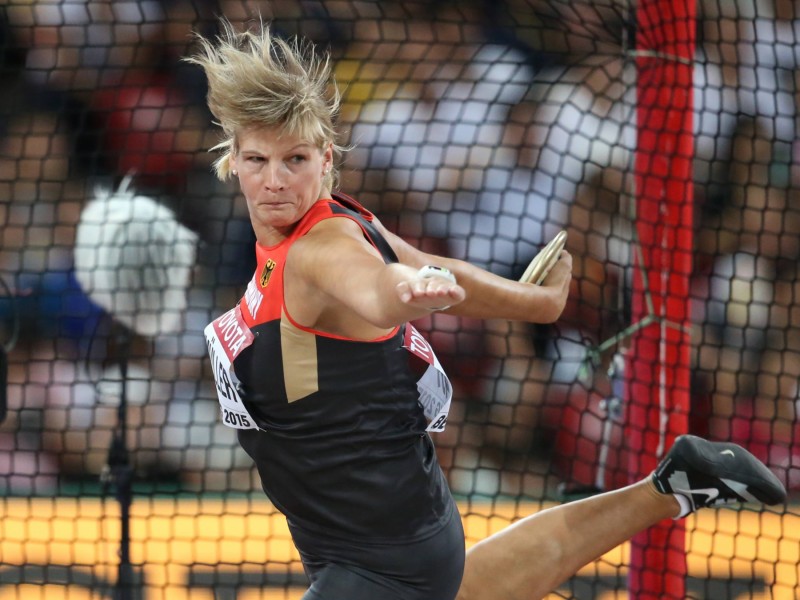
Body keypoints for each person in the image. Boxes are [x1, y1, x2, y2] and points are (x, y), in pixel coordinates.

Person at [187, 19, 787, 600]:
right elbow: (429, 261)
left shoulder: (321, 249)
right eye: (258, 161)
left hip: (385, 557)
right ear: (232, 160)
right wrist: (538, 302)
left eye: (294, 160)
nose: (275, 181)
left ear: (324, 158)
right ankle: (671, 486)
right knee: (482, 587)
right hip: (386, 536)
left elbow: (377, 284)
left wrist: (404, 292)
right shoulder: (342, 220)